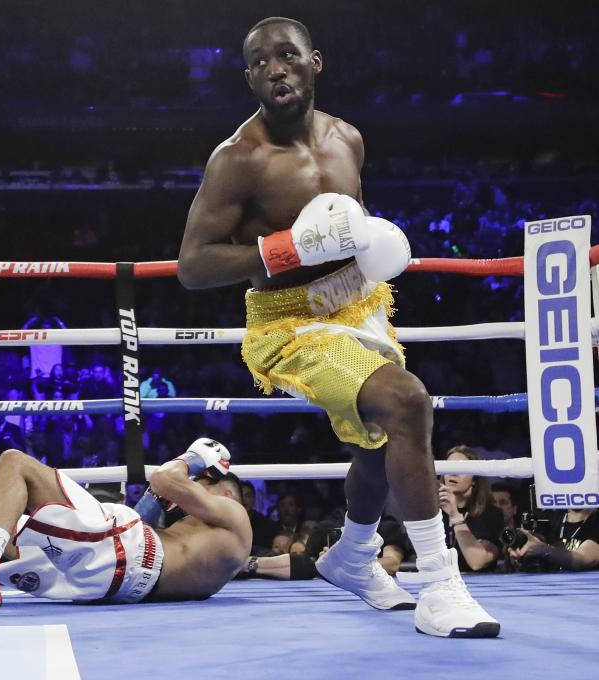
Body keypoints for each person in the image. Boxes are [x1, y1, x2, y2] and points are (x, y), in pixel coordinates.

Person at [176, 16, 498, 637]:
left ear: (313, 62)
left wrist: (375, 243)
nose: (276, 68)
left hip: (359, 303)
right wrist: (285, 250)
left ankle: (352, 555)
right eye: (261, 62)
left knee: (378, 444)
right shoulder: (237, 160)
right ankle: (439, 584)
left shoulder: (348, 139)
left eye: (287, 56)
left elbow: (346, 226)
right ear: (249, 78)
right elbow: (193, 265)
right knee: (406, 403)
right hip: (290, 324)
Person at [0, 438, 251, 613]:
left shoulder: (232, 516)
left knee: (13, 462)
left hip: (125, 555)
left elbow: (165, 479)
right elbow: (149, 520)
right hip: (114, 575)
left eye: (200, 484)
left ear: (224, 493)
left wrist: (192, 458)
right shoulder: (206, 544)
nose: (191, 492)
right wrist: (156, 499)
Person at [439, 445, 503, 573]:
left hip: (479, 588)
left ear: (474, 479)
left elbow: (477, 562)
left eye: (461, 469)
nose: (453, 473)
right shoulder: (432, 513)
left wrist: (455, 515)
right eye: (448, 467)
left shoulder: (491, 515)